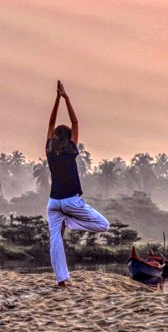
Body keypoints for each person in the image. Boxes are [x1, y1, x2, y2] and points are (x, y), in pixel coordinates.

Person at [46, 80, 110, 286]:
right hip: (71, 202)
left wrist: (56, 100)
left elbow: (50, 124)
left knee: (55, 240)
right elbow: (75, 123)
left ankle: (61, 280)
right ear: (69, 138)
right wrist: (66, 98)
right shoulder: (71, 150)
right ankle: (69, 222)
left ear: (55, 137)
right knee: (103, 225)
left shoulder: (49, 150)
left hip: (53, 203)